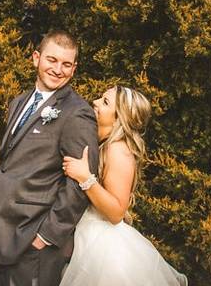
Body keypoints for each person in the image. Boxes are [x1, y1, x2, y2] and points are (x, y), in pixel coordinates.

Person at [0, 30, 100, 286]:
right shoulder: (18, 103)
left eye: (66, 64)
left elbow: (81, 182)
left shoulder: (77, 113)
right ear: (36, 58)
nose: (58, 69)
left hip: (36, 241)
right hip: (3, 232)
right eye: (52, 60)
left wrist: (46, 236)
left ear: (74, 69)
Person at [59, 86, 188, 286]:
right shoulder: (103, 144)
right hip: (87, 235)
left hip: (103, 248)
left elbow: (116, 212)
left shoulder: (118, 149)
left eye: (105, 102)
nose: (95, 102)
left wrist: (84, 177)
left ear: (119, 118)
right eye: (101, 98)